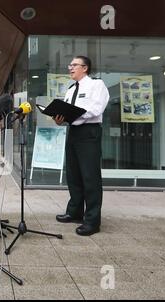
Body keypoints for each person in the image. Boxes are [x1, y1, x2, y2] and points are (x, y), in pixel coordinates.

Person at [54, 56, 110, 236]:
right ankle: (74, 212)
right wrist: (60, 119)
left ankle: (92, 221)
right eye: (69, 65)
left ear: (85, 68)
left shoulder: (97, 85)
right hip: (73, 133)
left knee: (90, 177)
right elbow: (68, 113)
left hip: (89, 133)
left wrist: (75, 116)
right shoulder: (70, 90)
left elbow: (96, 109)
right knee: (74, 175)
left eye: (74, 65)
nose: (70, 68)